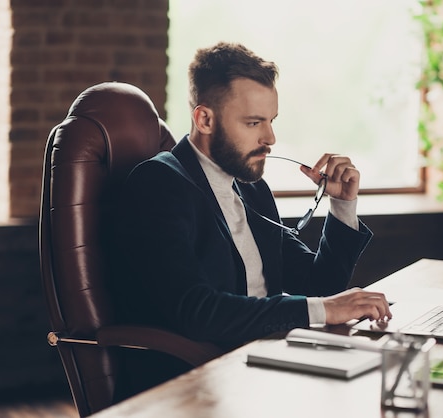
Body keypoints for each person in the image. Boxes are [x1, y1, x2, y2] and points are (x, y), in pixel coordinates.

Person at [115, 41, 391, 397]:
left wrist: (341, 205)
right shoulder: (159, 184)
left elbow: (321, 285)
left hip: (265, 361)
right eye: (254, 122)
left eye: (271, 121)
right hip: (201, 383)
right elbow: (196, 310)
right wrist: (323, 309)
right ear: (205, 119)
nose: (270, 138)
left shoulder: (251, 187)